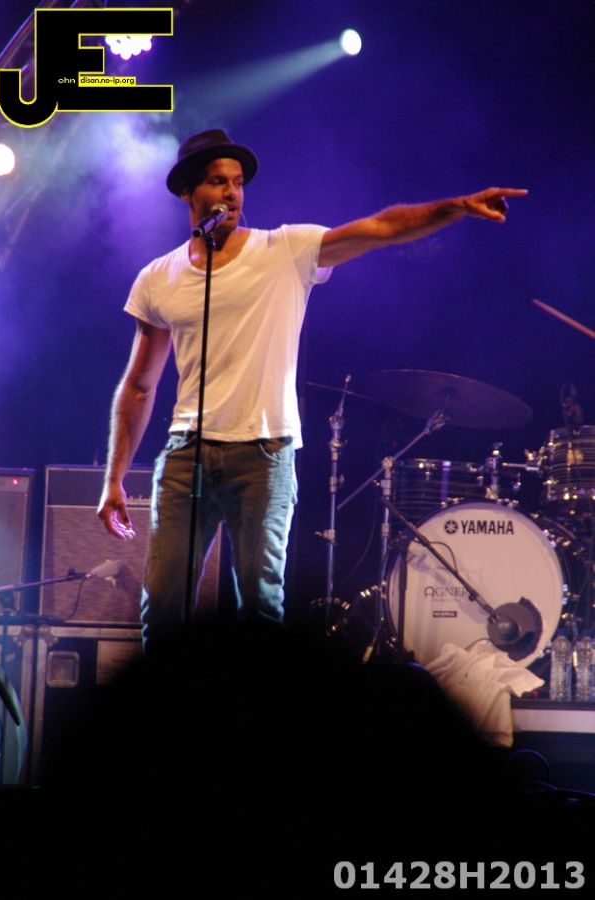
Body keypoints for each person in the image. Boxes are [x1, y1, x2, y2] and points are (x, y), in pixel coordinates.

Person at [97, 128, 527, 646]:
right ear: (189, 192)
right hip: (186, 454)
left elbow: (380, 228)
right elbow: (139, 386)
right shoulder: (158, 277)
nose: (232, 192)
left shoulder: (284, 249)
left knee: (260, 607)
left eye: (238, 182)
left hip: (263, 454)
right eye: (217, 181)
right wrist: (114, 478)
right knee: (164, 610)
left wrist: (454, 207)